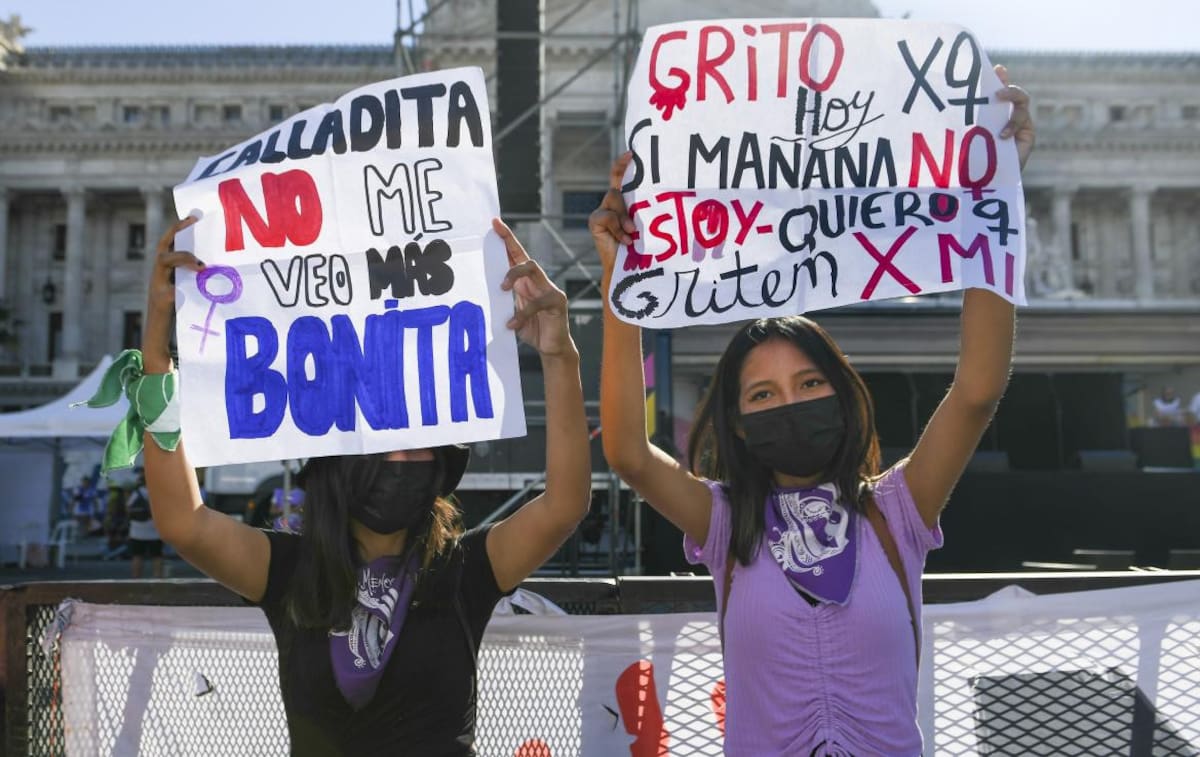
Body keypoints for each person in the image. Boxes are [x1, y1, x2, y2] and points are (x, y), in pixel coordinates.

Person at [591, 66, 1034, 756]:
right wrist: (621, 277)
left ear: (843, 394)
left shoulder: (898, 510)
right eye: (762, 395)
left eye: (808, 382)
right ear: (739, 424)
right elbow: (626, 450)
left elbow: (977, 390)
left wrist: (996, 193)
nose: (790, 403)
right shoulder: (725, 522)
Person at [134, 215, 591, 755]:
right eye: (382, 447)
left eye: (420, 446)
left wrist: (560, 355)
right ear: (339, 463)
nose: (402, 461)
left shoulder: (464, 570)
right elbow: (182, 522)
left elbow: (564, 505)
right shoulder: (287, 571)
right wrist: (157, 355)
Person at [126, 469, 164, 578]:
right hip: (154, 530)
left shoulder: (135, 493)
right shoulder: (157, 492)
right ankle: (157, 580)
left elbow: (128, 509)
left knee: (137, 556)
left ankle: (136, 581)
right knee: (157, 556)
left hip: (137, 531)